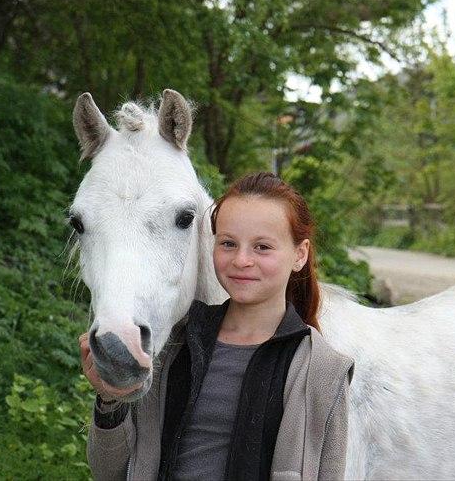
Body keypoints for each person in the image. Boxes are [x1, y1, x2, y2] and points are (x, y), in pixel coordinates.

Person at [80, 172, 354, 480]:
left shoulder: (323, 373)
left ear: (299, 255)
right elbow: (111, 472)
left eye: (262, 247)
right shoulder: (173, 349)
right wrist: (111, 397)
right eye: (228, 243)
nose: (241, 260)